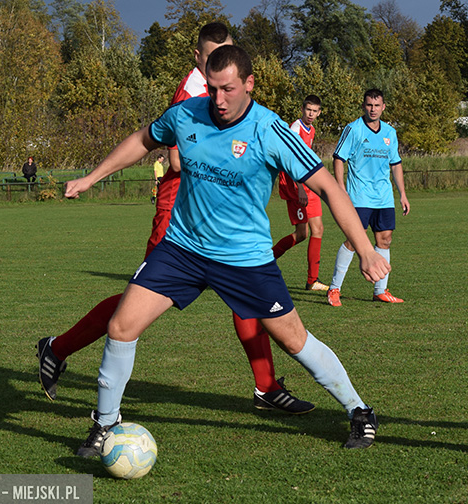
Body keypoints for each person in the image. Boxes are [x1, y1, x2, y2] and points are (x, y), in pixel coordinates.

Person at [64, 45, 386, 455]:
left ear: (249, 84)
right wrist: (92, 178)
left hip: (245, 259)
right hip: (182, 249)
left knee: (293, 340)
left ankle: (360, 411)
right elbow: (143, 140)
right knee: (121, 327)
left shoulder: (269, 130)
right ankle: (104, 425)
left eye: (228, 89)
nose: (218, 100)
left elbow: (328, 186)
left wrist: (365, 250)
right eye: (213, 88)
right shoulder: (187, 113)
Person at [36, 23, 314, 422]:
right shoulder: (192, 96)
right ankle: (59, 349)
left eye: (228, 51)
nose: (220, 61)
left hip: (216, 211)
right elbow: (178, 158)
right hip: (179, 213)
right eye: (212, 53)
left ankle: (267, 386)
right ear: (198, 58)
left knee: (246, 295)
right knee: (138, 303)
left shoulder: (221, 90)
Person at [326, 89, 410, 307]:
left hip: (384, 198)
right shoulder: (353, 129)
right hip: (359, 196)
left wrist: (402, 194)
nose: (373, 109)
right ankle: (334, 288)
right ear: (364, 106)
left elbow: (396, 164)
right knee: (354, 241)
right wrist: (340, 188)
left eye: (377, 105)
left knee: (385, 240)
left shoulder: (390, 132)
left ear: (383, 107)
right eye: (369, 105)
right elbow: (338, 158)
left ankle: (380, 290)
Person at [273, 95, 329, 291]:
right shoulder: (295, 128)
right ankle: (265, 262)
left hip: (308, 185)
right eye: (308, 110)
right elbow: (290, 159)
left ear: (319, 112)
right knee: (301, 233)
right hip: (296, 187)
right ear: (302, 109)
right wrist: (298, 187)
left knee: (318, 229)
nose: (311, 114)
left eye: (315, 111)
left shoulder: (311, 129)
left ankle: (312, 280)